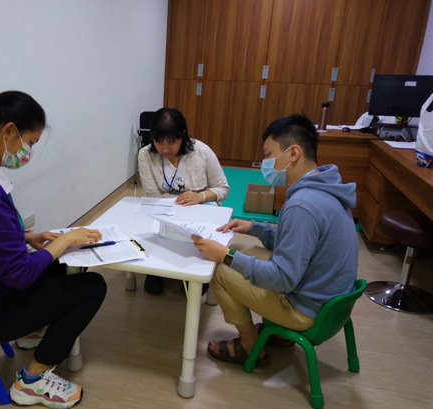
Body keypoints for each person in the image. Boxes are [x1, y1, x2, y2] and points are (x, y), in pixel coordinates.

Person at [0, 90, 107, 409]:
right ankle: (32, 380)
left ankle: (29, 332)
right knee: (92, 287)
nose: (28, 152)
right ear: (9, 131)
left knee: (60, 264)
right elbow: (20, 276)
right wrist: (65, 239)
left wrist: (28, 237)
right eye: (31, 143)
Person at [191, 114, 358, 365]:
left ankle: (249, 345)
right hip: (330, 303)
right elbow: (297, 245)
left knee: (218, 269)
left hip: (307, 310)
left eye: (269, 155)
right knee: (239, 246)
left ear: (293, 153)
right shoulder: (325, 188)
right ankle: (281, 336)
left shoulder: (303, 204)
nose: (265, 164)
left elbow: (283, 279)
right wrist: (256, 228)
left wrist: (225, 256)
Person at [138, 107, 230, 294]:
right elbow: (153, 195)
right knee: (151, 231)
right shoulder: (145, 154)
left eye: (172, 142)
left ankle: (199, 273)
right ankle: (155, 270)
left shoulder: (201, 151)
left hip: (201, 209)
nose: (165, 149)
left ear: (183, 135)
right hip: (165, 210)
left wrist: (200, 196)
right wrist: (179, 204)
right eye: (159, 142)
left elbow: (222, 188)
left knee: (198, 242)